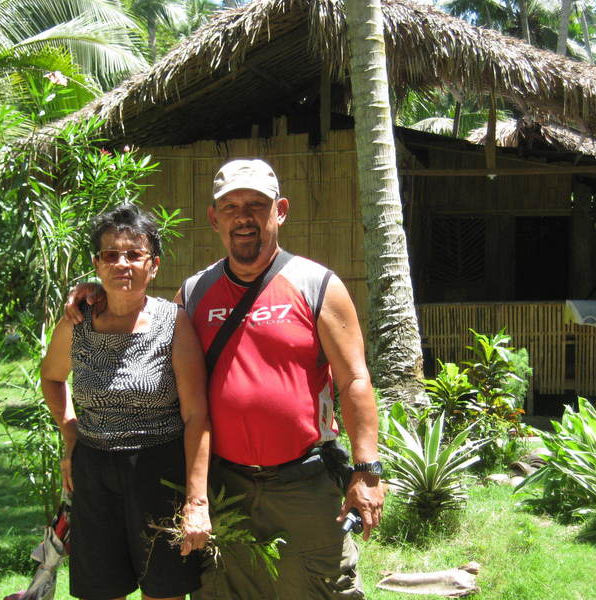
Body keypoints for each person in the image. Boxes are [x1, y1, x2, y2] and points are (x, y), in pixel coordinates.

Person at [66, 160, 385, 599]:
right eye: (231, 206)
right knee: (223, 590)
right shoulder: (195, 293)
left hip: (303, 479)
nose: (244, 216)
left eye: (256, 204)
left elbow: (354, 381)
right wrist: (94, 293)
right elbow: (140, 315)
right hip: (223, 483)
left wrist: (367, 469)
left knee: (324, 586)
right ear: (214, 218)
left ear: (281, 211)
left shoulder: (317, 284)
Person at [42, 204, 212, 600]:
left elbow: (196, 414)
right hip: (93, 472)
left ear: (152, 265)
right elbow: (51, 377)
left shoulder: (174, 322)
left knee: (163, 590)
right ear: (96, 265)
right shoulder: (77, 321)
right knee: (100, 591)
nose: (122, 263)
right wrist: (71, 433)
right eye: (111, 254)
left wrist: (195, 499)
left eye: (134, 254)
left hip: (157, 468)